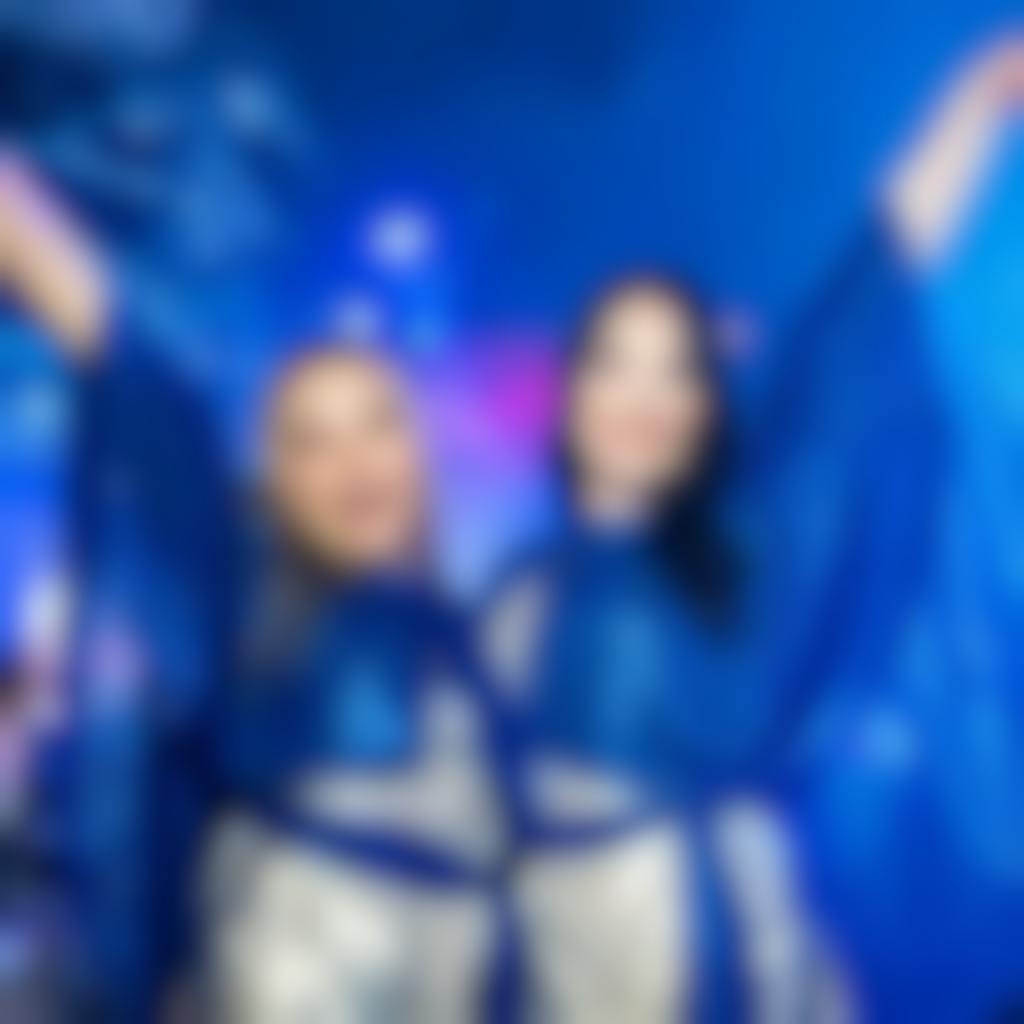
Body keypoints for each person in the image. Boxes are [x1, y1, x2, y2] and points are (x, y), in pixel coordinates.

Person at [481, 35, 1024, 1024]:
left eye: (675, 370)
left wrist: (976, 98)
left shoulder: (737, 554)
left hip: (741, 961)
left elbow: (852, 320)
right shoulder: (516, 596)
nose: (643, 396)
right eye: (616, 363)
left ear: (705, 407)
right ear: (571, 392)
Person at [0, 166, 508, 1022]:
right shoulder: (246, 622)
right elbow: (129, 364)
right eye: (312, 442)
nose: (354, 463)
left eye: (378, 423)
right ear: (278, 486)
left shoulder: (477, 645)